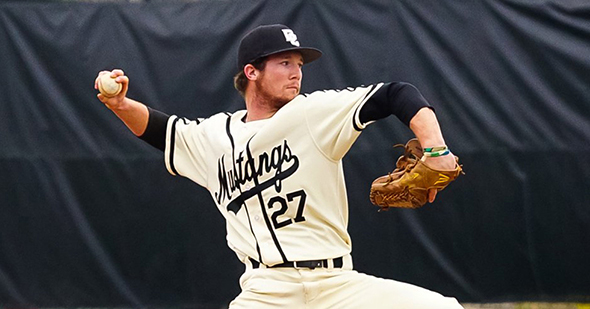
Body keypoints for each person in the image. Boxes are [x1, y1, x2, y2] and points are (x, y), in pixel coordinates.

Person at [95, 24, 463, 308]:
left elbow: (395, 94)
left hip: (336, 286)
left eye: (299, 64)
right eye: (284, 62)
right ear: (251, 72)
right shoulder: (213, 137)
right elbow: (162, 130)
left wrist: (435, 150)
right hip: (265, 292)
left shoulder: (312, 114)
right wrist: (120, 105)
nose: (296, 73)